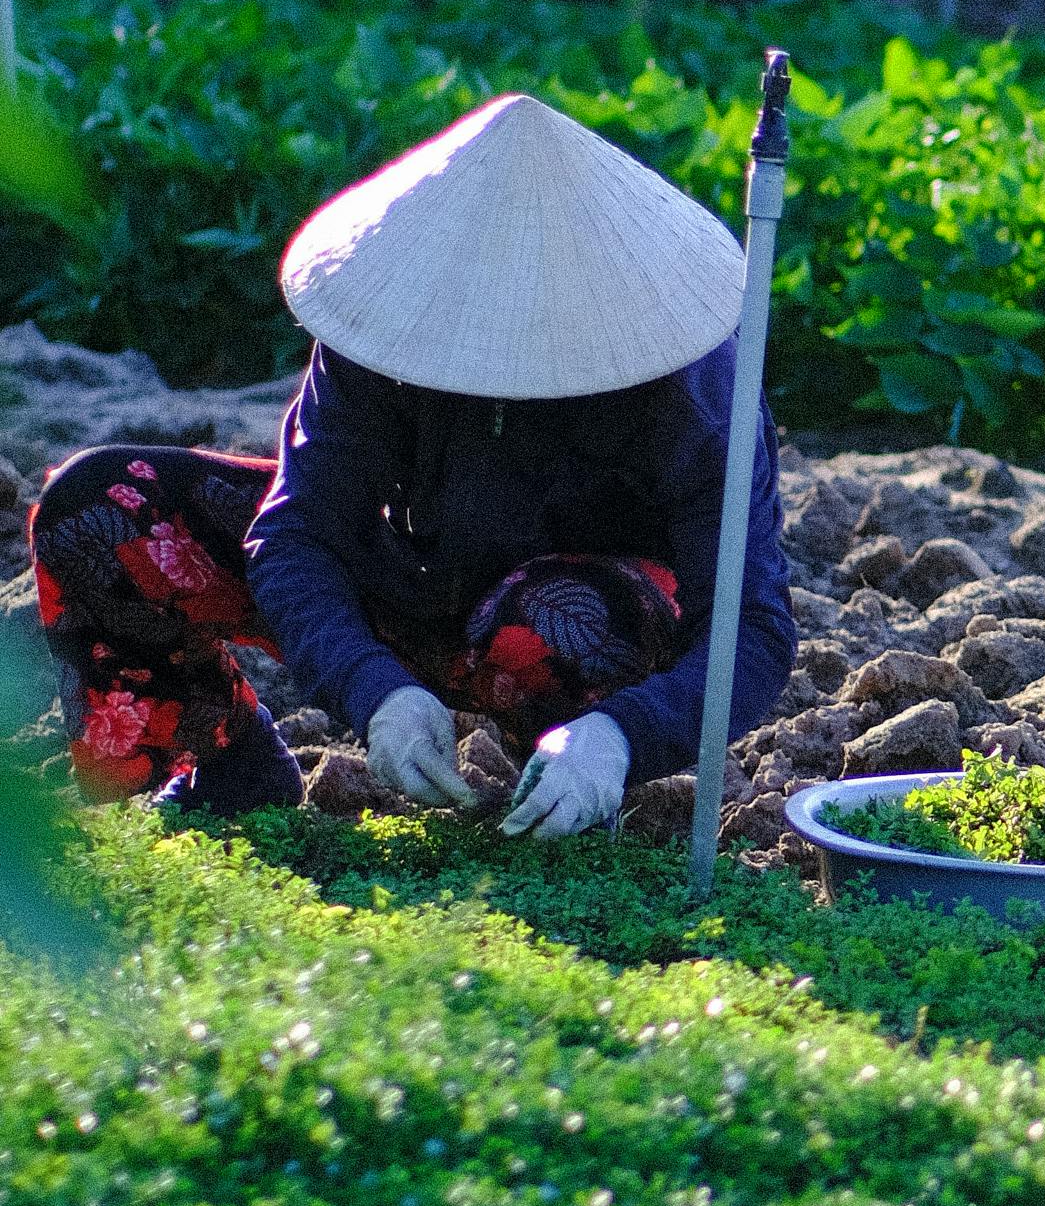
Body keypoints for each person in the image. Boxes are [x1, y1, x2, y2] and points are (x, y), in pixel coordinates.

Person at [27, 94, 796, 835]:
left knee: (560, 620)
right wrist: (376, 688)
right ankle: (228, 763)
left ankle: (564, 789)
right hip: (413, 571)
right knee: (99, 506)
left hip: (572, 628)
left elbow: (749, 625)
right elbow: (296, 532)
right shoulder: (389, 334)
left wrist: (619, 734)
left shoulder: (693, 392)